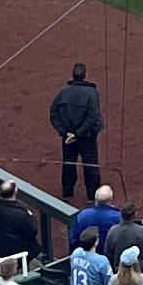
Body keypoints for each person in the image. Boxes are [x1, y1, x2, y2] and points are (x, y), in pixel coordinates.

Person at [49, 66, 102, 196]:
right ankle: (92, 195)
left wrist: (65, 132)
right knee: (90, 166)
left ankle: (67, 193)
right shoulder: (91, 93)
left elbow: (53, 113)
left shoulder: (62, 92)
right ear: (85, 75)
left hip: (68, 137)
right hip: (87, 137)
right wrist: (79, 133)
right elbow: (92, 117)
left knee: (68, 164)